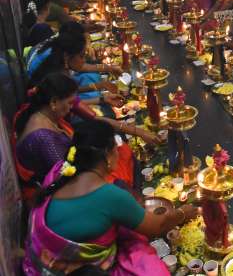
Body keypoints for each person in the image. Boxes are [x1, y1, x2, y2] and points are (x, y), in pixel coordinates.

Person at [22, 119, 199, 275]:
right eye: (116, 148)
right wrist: (183, 213)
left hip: (41, 264)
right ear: (107, 155)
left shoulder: (60, 172)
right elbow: (157, 226)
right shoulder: (110, 196)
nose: (118, 152)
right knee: (150, 266)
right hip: (80, 270)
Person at [14, 74, 157, 204]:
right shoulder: (44, 139)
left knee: (121, 150)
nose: (72, 107)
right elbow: (69, 179)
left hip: (76, 169)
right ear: (54, 102)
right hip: (66, 190)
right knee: (119, 168)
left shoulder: (47, 112)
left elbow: (94, 119)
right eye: (70, 103)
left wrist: (138, 132)